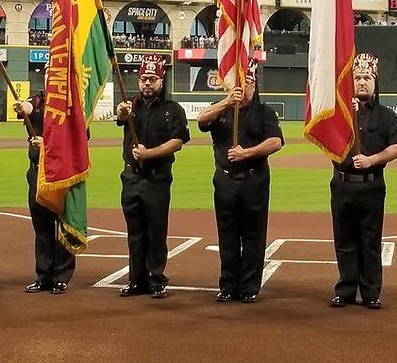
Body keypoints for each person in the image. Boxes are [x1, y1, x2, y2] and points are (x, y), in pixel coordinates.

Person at [197, 59, 283, 303]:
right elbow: (201, 121)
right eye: (238, 82)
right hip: (225, 181)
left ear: (254, 87)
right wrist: (226, 102)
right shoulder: (221, 109)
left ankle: (249, 287)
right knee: (227, 235)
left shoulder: (264, 112)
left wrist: (247, 153)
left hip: (254, 180)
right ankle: (227, 285)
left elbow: (275, 142)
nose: (243, 88)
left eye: (247, 83)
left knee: (253, 235)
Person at [329, 53, 397, 310]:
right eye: (358, 78)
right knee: (344, 240)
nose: (362, 82)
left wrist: (371, 160)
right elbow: (325, 141)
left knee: (370, 240)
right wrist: (342, 118)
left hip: (371, 185)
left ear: (375, 82)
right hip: (342, 185)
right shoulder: (338, 112)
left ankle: (371, 291)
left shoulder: (386, 116)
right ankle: (346, 289)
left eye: (367, 78)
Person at [115, 54, 190, 299]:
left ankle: (157, 278)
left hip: (157, 177)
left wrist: (149, 154)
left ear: (162, 80)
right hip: (132, 178)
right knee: (134, 232)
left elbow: (177, 142)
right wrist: (121, 111)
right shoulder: (130, 106)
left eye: (152, 79)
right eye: (143, 79)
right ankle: (137, 280)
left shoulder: (172, 110)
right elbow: (121, 117)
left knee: (156, 231)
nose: (147, 83)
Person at [13, 63, 75, 295]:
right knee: (42, 226)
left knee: (63, 226)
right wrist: (22, 107)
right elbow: (28, 107)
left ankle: (62, 275)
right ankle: (44, 275)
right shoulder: (38, 101)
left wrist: (47, 146)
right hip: (37, 173)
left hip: (62, 173)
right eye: (48, 74)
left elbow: (78, 139)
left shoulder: (72, 105)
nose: (51, 78)